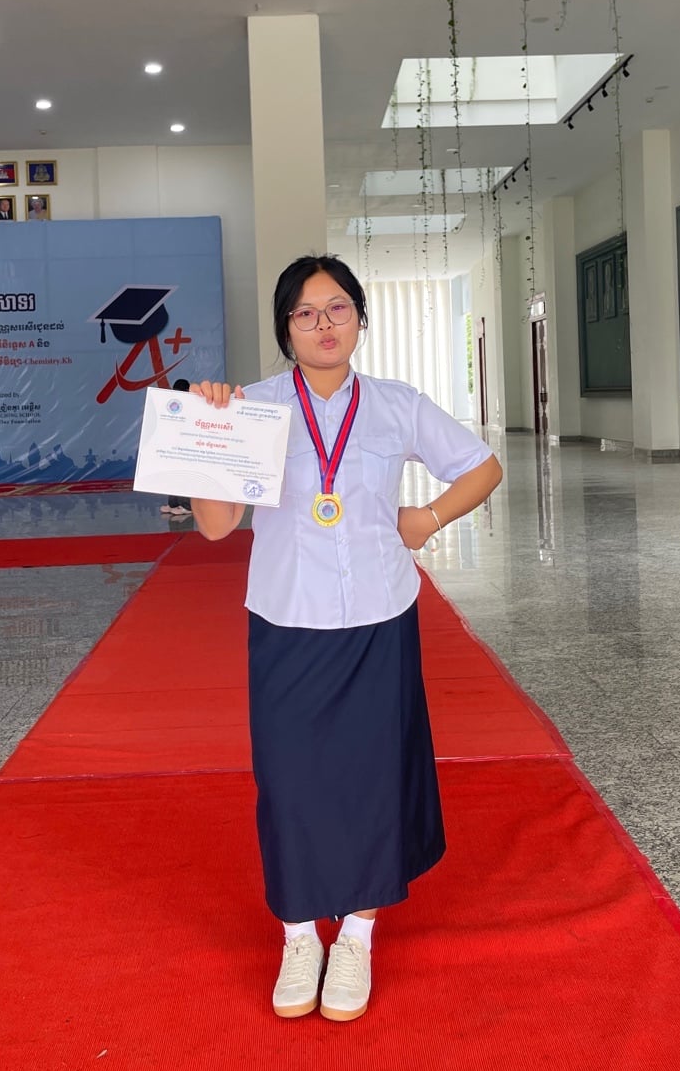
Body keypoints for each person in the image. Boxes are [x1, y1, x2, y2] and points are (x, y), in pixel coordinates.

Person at [190, 253, 502, 1023]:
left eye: (337, 308)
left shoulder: (396, 405)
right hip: (287, 619)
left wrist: (428, 518)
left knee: (372, 779)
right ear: (285, 329)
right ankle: (299, 935)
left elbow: (482, 467)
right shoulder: (254, 408)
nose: (323, 324)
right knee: (290, 780)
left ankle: (358, 934)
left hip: (377, 617)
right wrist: (208, 431)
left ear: (360, 318)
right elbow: (217, 525)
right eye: (304, 312)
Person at [161, 378, 193, 517]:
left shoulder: (193, 406)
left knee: (184, 476)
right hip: (174, 444)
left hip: (186, 447)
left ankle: (186, 506)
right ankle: (173, 503)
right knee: (173, 475)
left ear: (187, 391)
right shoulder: (173, 404)